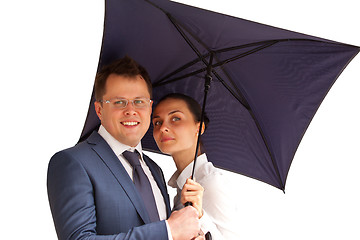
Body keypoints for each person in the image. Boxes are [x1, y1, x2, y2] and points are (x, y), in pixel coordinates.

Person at [47, 56, 203, 240]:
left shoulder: (155, 170)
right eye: (119, 102)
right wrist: (169, 231)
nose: (131, 110)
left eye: (139, 101)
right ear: (99, 110)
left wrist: (184, 212)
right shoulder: (73, 163)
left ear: (150, 107)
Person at [152, 93, 241, 239]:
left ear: (199, 128)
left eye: (175, 118)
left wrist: (200, 215)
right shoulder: (180, 186)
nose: (163, 128)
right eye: (157, 122)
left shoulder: (211, 182)